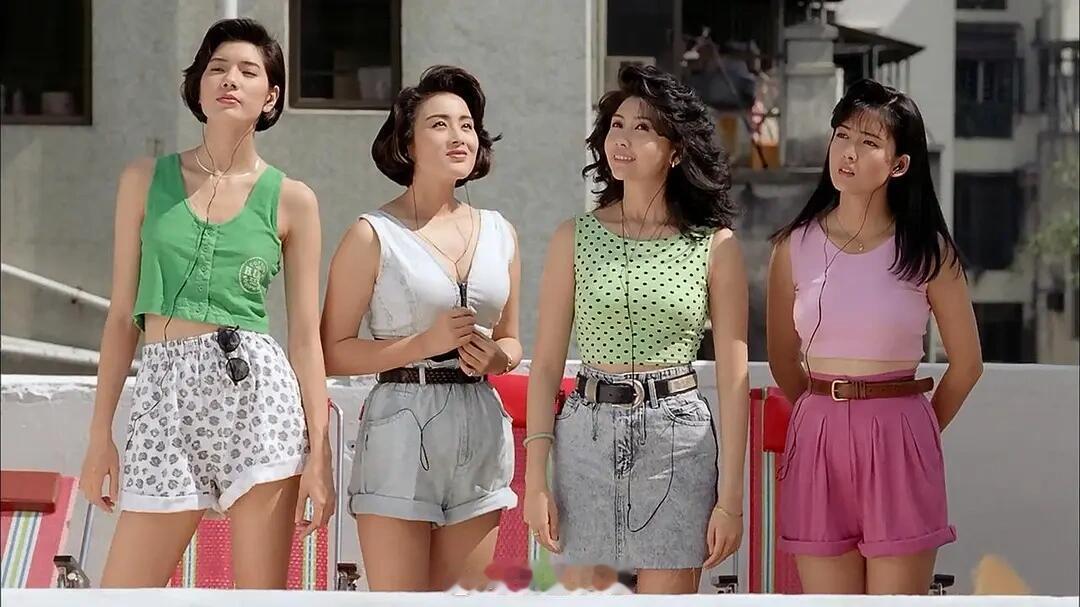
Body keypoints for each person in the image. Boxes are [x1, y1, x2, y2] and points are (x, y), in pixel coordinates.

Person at [79, 18, 334, 588]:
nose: (230, 79)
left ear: (271, 97)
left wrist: (320, 455)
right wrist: (100, 435)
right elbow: (121, 317)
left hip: (258, 397)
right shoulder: (143, 179)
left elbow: (304, 338)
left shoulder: (293, 200)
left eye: (248, 71)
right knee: (122, 592)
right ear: (197, 87)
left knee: (258, 595)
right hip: (162, 393)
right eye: (217, 68)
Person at [523, 64, 749, 594]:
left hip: (678, 441)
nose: (621, 139)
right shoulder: (572, 236)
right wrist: (535, 481)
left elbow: (734, 380)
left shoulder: (715, 246)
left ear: (676, 151)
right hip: (585, 439)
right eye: (616, 125)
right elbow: (547, 364)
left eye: (643, 127)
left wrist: (731, 499)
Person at [766, 79, 983, 594]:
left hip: (900, 430)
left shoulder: (929, 252)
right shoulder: (793, 247)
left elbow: (968, 365)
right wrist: (824, 414)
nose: (848, 152)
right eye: (842, 135)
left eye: (868, 142)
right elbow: (782, 359)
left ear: (898, 164)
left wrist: (915, 431)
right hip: (816, 434)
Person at [320, 65, 522, 591]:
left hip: (480, 424)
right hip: (400, 424)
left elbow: (511, 339)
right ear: (406, 144)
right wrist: (423, 344)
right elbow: (332, 351)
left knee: (465, 600)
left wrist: (498, 358)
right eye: (439, 124)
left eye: (467, 125)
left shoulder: (501, 232)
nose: (459, 136)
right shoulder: (372, 234)